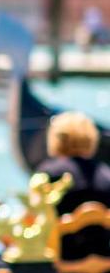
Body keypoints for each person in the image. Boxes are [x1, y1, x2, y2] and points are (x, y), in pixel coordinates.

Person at [35, 112, 110, 261]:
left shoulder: (48, 174)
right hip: (104, 261)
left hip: (61, 261)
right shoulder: (106, 174)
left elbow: (35, 219)